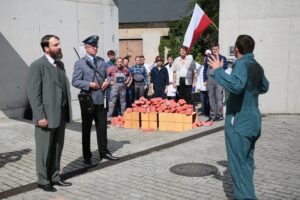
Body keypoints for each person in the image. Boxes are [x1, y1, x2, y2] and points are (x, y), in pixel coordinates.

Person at [208, 35, 269, 200]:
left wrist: (218, 70)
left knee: (238, 167)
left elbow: (236, 85)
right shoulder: (257, 66)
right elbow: (265, 86)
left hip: (240, 121)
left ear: (236, 49)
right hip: (254, 121)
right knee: (246, 164)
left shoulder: (241, 64)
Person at [27, 35, 72, 192]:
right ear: (46, 48)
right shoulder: (38, 66)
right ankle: (43, 180)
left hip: (60, 114)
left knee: (57, 148)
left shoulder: (60, 65)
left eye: (59, 44)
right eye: (56, 45)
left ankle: (55, 176)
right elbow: (34, 94)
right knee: (44, 150)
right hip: (45, 116)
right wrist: (40, 116)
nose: (59, 47)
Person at [72, 35, 119, 165]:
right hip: (88, 100)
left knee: (102, 128)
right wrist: (88, 84)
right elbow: (75, 81)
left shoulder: (101, 61)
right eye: (92, 47)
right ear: (86, 48)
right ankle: (87, 156)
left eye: (96, 46)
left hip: (100, 99)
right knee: (87, 129)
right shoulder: (80, 63)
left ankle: (104, 152)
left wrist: (107, 82)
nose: (95, 49)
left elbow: (109, 76)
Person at [204, 43, 228, 121]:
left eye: (216, 49)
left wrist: (221, 67)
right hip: (210, 79)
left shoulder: (222, 58)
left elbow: (226, 68)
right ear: (212, 50)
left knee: (219, 98)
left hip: (219, 80)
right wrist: (205, 80)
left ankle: (220, 115)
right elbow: (205, 69)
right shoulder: (208, 58)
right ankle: (212, 115)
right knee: (211, 98)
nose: (215, 51)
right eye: (213, 49)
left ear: (218, 49)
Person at [107, 57, 131, 122]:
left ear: (122, 62)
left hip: (123, 87)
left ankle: (124, 116)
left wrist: (127, 81)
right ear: (116, 62)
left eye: (121, 61)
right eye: (118, 61)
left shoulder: (125, 69)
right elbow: (106, 75)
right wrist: (110, 81)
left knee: (123, 102)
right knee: (112, 102)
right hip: (115, 87)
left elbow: (130, 75)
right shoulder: (111, 68)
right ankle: (109, 117)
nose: (119, 63)